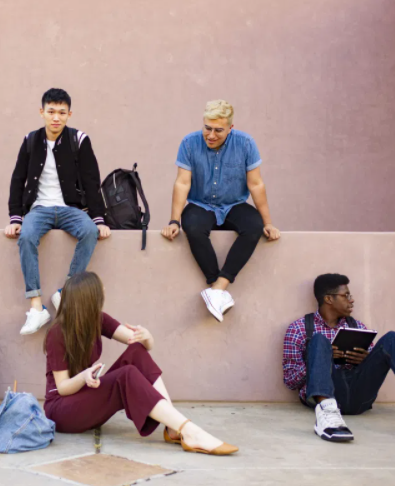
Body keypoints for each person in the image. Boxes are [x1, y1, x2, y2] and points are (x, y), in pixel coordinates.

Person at [43, 271, 238, 455]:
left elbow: (139, 343)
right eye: (100, 293)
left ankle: (173, 428)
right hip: (61, 410)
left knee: (136, 352)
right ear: (89, 300)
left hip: (84, 398)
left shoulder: (97, 319)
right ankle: (190, 431)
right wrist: (83, 377)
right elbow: (62, 388)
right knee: (125, 375)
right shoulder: (57, 333)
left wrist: (147, 337)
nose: (104, 295)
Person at [161, 100, 280, 322]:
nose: (211, 135)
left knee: (254, 226)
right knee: (193, 227)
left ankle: (218, 287)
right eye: (207, 128)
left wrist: (269, 223)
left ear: (230, 128)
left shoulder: (246, 143)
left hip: (234, 204)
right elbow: (182, 183)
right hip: (201, 204)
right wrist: (174, 221)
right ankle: (217, 289)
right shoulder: (189, 143)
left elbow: (256, 184)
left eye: (218, 130)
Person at [5, 88, 111, 335]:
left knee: (88, 231)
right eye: (51, 111)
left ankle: (65, 292)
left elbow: (91, 180)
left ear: (69, 114)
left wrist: (99, 219)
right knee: (27, 236)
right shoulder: (31, 140)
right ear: (41, 112)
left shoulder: (79, 140)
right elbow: (17, 179)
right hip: (39, 209)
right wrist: (15, 217)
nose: (56, 117)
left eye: (62, 112)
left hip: (70, 209)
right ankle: (36, 306)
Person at [283, 273, 395, 442]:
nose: (351, 300)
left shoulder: (357, 326)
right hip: (327, 396)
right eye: (346, 295)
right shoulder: (299, 329)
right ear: (329, 299)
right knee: (319, 340)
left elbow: (370, 368)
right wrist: (321, 360)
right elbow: (290, 380)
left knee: (392, 339)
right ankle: (327, 418)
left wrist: (363, 360)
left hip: (358, 394)